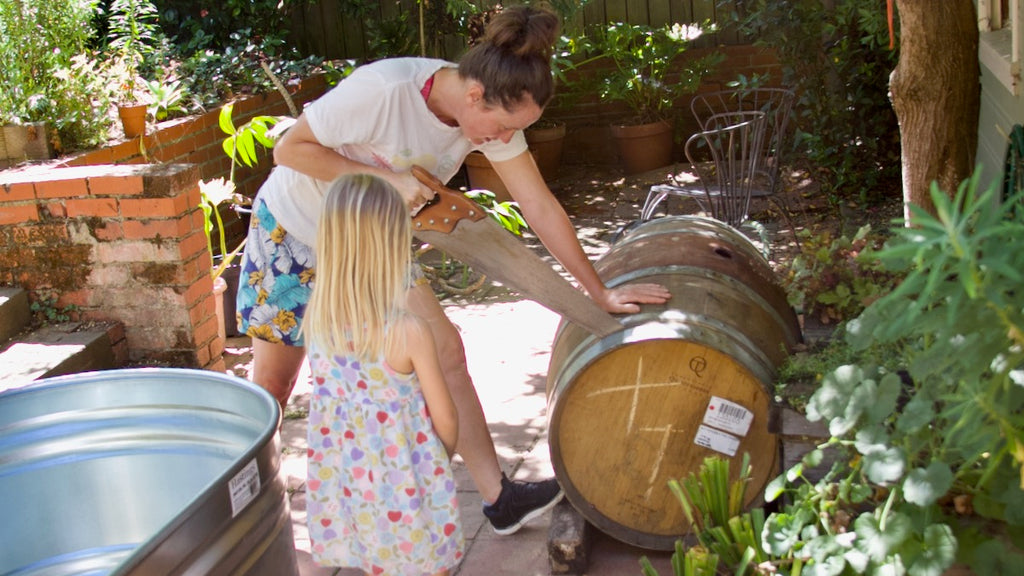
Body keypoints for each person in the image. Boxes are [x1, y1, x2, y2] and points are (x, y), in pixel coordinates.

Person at [236, 4, 671, 535]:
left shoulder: (493, 112)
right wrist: (385, 182)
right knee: (275, 387)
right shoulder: (383, 90)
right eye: (501, 126)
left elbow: (538, 205)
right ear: (473, 95)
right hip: (295, 231)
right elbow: (289, 150)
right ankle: (248, 508)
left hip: (374, 244)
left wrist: (596, 292)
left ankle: (500, 498)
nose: (499, 139)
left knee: (444, 351)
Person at [304, 175, 461, 575]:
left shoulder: (316, 324)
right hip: (407, 481)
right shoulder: (408, 332)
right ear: (394, 249)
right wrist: (436, 462)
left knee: (376, 560)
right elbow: (445, 419)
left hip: (349, 485)